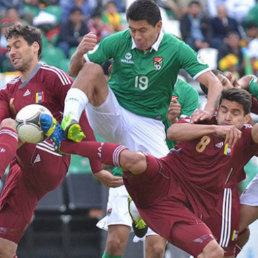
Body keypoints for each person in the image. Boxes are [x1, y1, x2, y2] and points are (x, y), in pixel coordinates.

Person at [57, 0, 223, 256]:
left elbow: (213, 83)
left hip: (148, 125)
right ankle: (68, 122)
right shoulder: (118, 40)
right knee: (91, 68)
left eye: (142, 30)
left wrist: (208, 110)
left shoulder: (177, 50)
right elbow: (75, 73)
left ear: (159, 26)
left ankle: (139, 211)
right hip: (113, 112)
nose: (136, 36)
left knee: (157, 240)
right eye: (132, 29)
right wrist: (79, 53)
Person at [40, 87, 258, 258]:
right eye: (224, 110)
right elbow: (174, 130)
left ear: (246, 119)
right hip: (163, 177)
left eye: (235, 113)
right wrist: (215, 128)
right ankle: (64, 145)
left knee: (214, 253)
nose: (228, 117)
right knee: (134, 159)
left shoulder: (246, 138)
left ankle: (138, 210)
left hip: (181, 206)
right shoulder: (205, 119)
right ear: (217, 109)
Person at [0, 24, 122, 258]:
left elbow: (81, 117)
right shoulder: (10, 89)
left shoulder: (53, 76)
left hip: (52, 157)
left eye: (17, 46)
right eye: (8, 48)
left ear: (35, 47)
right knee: (3, 247)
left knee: (13, 124)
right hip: (23, 172)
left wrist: (96, 168)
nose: (12, 52)